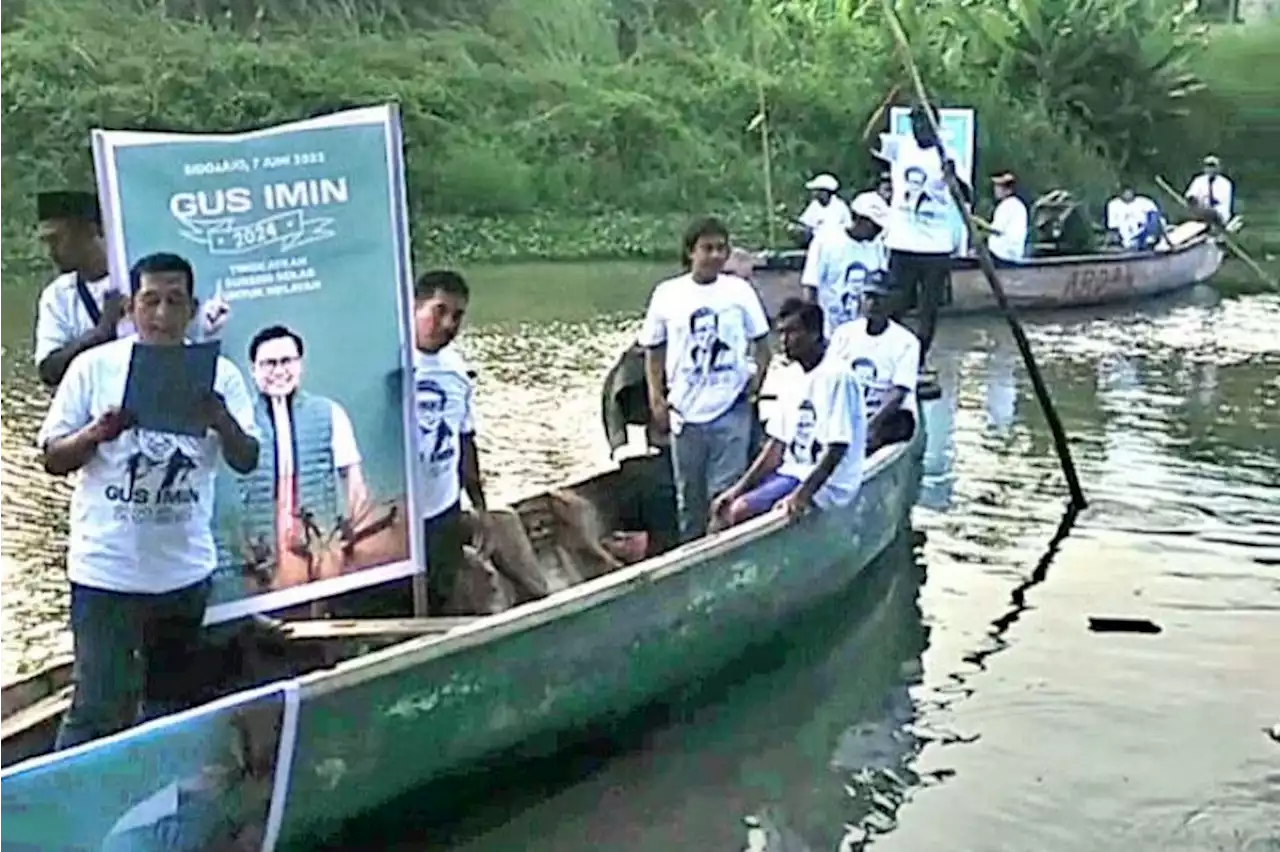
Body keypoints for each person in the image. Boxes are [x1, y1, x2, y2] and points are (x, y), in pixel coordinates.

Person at [36, 251, 260, 750]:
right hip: (106, 573)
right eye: (150, 300)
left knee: (173, 706)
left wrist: (220, 419)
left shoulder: (220, 376)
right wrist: (98, 432)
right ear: (130, 308)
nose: (161, 314)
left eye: (174, 301)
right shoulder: (93, 368)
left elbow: (247, 459)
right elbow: (52, 457)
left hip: (183, 575)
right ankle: (72, 811)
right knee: (96, 707)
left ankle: (164, 808)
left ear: (192, 307)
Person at [638, 216, 771, 542]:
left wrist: (756, 382)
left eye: (721, 249)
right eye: (707, 248)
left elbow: (763, 344)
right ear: (690, 252)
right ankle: (691, 555)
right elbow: (653, 350)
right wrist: (657, 398)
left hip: (730, 408)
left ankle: (723, 555)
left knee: (724, 493)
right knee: (690, 498)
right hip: (685, 413)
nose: (714, 255)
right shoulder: (668, 294)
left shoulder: (739, 291)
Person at [32, 191, 230, 389]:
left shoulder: (149, 282)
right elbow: (49, 372)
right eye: (47, 242)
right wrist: (100, 333)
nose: (50, 251)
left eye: (56, 240)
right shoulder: (58, 296)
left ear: (90, 231)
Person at [708, 299, 867, 530]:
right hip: (793, 472)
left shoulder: (837, 376)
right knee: (724, 510)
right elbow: (776, 447)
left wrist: (802, 495)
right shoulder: (791, 377)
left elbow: (837, 448)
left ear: (814, 334)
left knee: (741, 511)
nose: (783, 341)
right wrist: (737, 489)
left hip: (828, 482)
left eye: (792, 332)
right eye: (781, 333)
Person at [237, 324, 371, 590]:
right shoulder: (239, 421)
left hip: (320, 543)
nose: (278, 371)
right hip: (262, 548)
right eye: (268, 363)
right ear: (253, 369)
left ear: (300, 365)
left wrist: (355, 539)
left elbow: (354, 483)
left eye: (286, 361)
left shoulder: (330, 413)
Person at [412, 269, 494, 613]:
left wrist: (479, 505)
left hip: (442, 508)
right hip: (399, 512)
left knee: (440, 596)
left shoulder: (456, 371)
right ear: (415, 307)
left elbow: (465, 440)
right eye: (439, 311)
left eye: (457, 316)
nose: (448, 324)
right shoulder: (388, 360)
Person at [877, 104, 972, 369]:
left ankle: (917, 361)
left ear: (934, 126)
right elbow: (868, 139)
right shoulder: (901, 147)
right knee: (895, 302)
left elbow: (966, 197)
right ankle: (891, 356)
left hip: (935, 248)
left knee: (928, 310)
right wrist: (886, 104)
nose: (919, 130)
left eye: (923, 125)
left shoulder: (947, 154)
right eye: (914, 124)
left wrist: (953, 178)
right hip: (902, 243)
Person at [827, 273, 920, 455]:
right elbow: (829, 379)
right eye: (869, 297)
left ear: (892, 302)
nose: (873, 304)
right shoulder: (843, 334)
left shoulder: (906, 342)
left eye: (880, 299)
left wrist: (869, 426)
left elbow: (898, 393)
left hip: (883, 415)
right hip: (848, 411)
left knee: (899, 423)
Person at [799, 191, 889, 337]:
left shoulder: (878, 246)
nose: (878, 232)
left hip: (864, 331)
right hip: (831, 330)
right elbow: (811, 286)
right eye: (875, 226)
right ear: (861, 220)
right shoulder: (826, 241)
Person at [791, 174, 853, 244]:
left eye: (816, 190)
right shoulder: (814, 206)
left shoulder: (840, 207)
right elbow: (805, 224)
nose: (813, 193)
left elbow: (847, 228)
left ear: (825, 192)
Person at [987, 172, 1030, 265]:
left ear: (1009, 190)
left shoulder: (1006, 206)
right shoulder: (1018, 205)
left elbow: (996, 230)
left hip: (1002, 254)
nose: (995, 189)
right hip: (1014, 254)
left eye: (999, 187)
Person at [1105, 186, 1163, 251]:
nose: (1128, 195)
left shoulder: (1144, 201)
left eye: (1129, 192)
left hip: (1144, 230)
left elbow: (1155, 216)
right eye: (1125, 193)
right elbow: (1112, 225)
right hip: (1125, 232)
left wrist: (1150, 230)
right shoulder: (1113, 204)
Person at [1184, 154, 1234, 225]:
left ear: (1218, 168)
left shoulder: (1225, 183)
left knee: (1210, 213)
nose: (1210, 169)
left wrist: (1205, 206)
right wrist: (1192, 199)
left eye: (1213, 167)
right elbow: (1190, 195)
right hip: (1201, 212)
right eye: (1208, 166)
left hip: (1219, 213)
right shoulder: (1198, 180)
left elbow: (1219, 201)